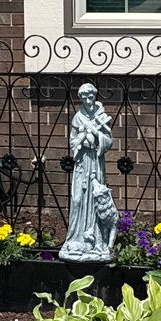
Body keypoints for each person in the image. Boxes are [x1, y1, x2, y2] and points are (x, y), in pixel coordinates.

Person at [58, 82, 118, 262]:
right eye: (83, 97)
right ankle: (76, 238)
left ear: (95, 96)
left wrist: (97, 138)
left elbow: (108, 140)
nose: (87, 100)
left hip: (95, 163)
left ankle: (96, 241)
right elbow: (72, 141)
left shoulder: (102, 117)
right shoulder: (78, 117)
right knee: (77, 200)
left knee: (94, 200)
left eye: (90, 96)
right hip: (82, 163)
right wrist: (82, 142)